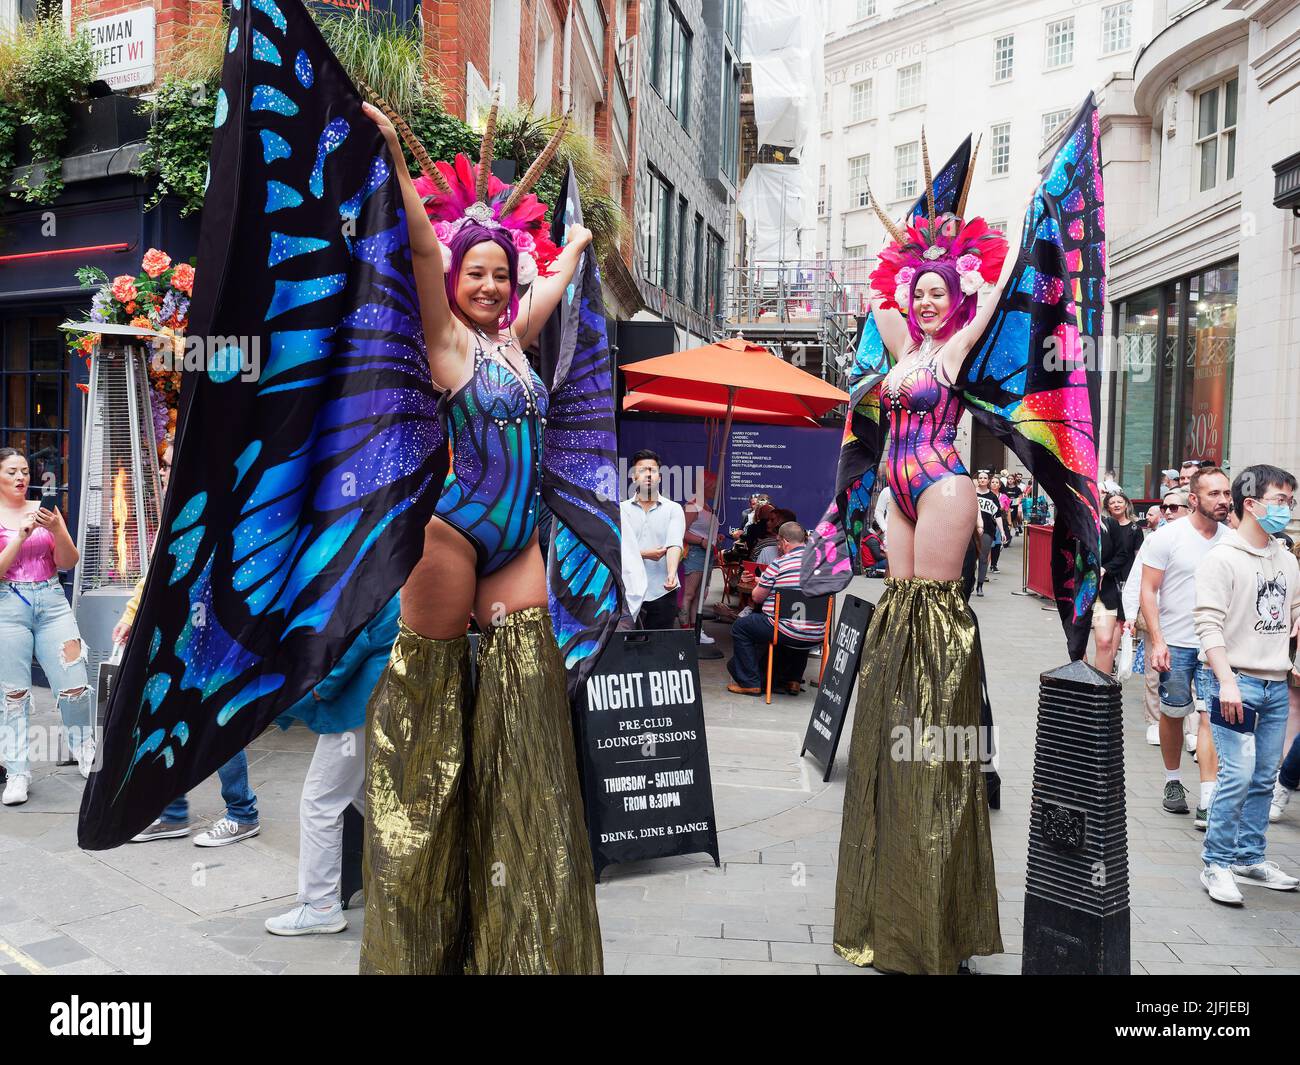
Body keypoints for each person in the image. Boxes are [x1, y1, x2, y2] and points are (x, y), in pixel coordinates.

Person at [359, 98, 604, 973]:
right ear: (458, 280)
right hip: (450, 536)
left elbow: (555, 285)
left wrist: (574, 245)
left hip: (518, 546)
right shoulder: (450, 345)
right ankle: (417, 945)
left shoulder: (517, 346)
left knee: (526, 728)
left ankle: (519, 941)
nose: (494, 286)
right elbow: (424, 246)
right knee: (427, 729)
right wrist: (391, 149)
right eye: (480, 274)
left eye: (504, 273)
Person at [120, 447, 261, 847]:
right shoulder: (176, 509)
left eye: (172, 466)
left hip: (211, 633)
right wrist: (133, 614)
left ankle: (242, 812)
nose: (167, 473)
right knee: (167, 714)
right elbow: (157, 571)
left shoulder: (220, 505)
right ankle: (172, 813)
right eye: (164, 466)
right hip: (176, 629)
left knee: (215, 718)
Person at [1193, 465, 1300, 904]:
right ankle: (1216, 863)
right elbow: (1208, 624)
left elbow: (1293, 607)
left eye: (1290, 501)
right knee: (1236, 776)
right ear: (1251, 504)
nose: (1287, 508)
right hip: (1234, 681)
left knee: (1263, 776)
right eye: (1279, 500)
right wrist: (1226, 683)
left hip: (1275, 684)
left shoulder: (1287, 558)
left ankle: (1248, 857)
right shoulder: (1222, 557)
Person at [265, 595, 400, 935]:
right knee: (367, 798)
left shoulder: (377, 562)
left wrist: (320, 687)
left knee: (320, 802)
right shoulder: (403, 562)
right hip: (385, 692)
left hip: (358, 702)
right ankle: (407, 885)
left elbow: (356, 636)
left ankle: (320, 905)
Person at [0, 448, 92, 806]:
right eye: (11, 472)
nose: (21, 477)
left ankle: (84, 746)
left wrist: (57, 529)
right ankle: (18, 771)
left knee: (75, 683)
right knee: (14, 694)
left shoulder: (44, 510)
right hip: (9, 605)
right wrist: (21, 537)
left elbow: (68, 560)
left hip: (52, 601)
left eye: (24, 471)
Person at [1140, 468, 1230, 827]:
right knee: (1174, 714)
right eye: (1214, 494)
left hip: (1214, 647)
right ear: (1194, 499)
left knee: (1209, 716)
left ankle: (1208, 798)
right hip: (1174, 642)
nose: (1223, 500)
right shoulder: (1168, 537)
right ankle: (1173, 780)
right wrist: (1157, 640)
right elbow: (1148, 589)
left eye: (1226, 493)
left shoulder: (1232, 540)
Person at [726, 521, 825, 696]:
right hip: (817, 634)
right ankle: (792, 679)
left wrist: (762, 582)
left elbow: (756, 597)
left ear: (785, 542)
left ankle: (750, 682)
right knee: (796, 623)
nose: (778, 547)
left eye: (778, 542)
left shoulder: (780, 563)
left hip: (784, 630)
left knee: (741, 627)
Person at [1124, 489, 1191, 746]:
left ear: (1190, 507)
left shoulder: (1212, 537)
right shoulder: (1156, 539)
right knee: (1156, 671)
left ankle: (1192, 729)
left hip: (1195, 620)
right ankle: (1154, 721)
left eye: (1175, 507)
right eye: (1165, 507)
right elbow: (1137, 581)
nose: (1169, 512)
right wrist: (1130, 614)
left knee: (1195, 680)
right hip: (1159, 617)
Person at [619, 450, 684, 630]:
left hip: (662, 590)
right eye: (642, 470)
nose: (648, 474)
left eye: (653, 470)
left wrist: (671, 574)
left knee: (659, 650)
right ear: (633, 477)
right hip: (628, 591)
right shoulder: (621, 510)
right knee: (626, 649)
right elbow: (617, 549)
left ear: (660, 477)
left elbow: (674, 543)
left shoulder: (673, 509)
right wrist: (644, 554)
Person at [1092, 491, 1143, 674]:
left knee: (1108, 638)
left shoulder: (1121, 527)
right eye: (1111, 502)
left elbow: (1130, 556)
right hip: (1080, 591)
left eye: (1119, 501)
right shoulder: (1074, 524)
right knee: (1078, 643)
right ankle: (1082, 683)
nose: (1115, 505)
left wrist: (1106, 569)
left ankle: (1103, 684)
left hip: (1115, 584)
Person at [679, 483, 721, 641]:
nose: (715, 489)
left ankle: (695, 630)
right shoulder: (692, 506)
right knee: (689, 593)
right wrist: (702, 541)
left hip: (707, 553)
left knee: (700, 594)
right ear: (704, 486)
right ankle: (685, 632)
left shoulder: (708, 506)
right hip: (695, 553)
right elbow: (682, 531)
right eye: (713, 485)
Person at [974, 471, 1000, 596]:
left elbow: (998, 515)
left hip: (988, 529)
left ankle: (980, 585)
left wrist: (1003, 531)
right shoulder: (972, 493)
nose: (983, 480)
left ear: (988, 480)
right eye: (980, 478)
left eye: (985, 478)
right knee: (970, 558)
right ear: (977, 480)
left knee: (983, 558)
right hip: (971, 528)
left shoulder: (992, 497)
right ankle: (969, 582)